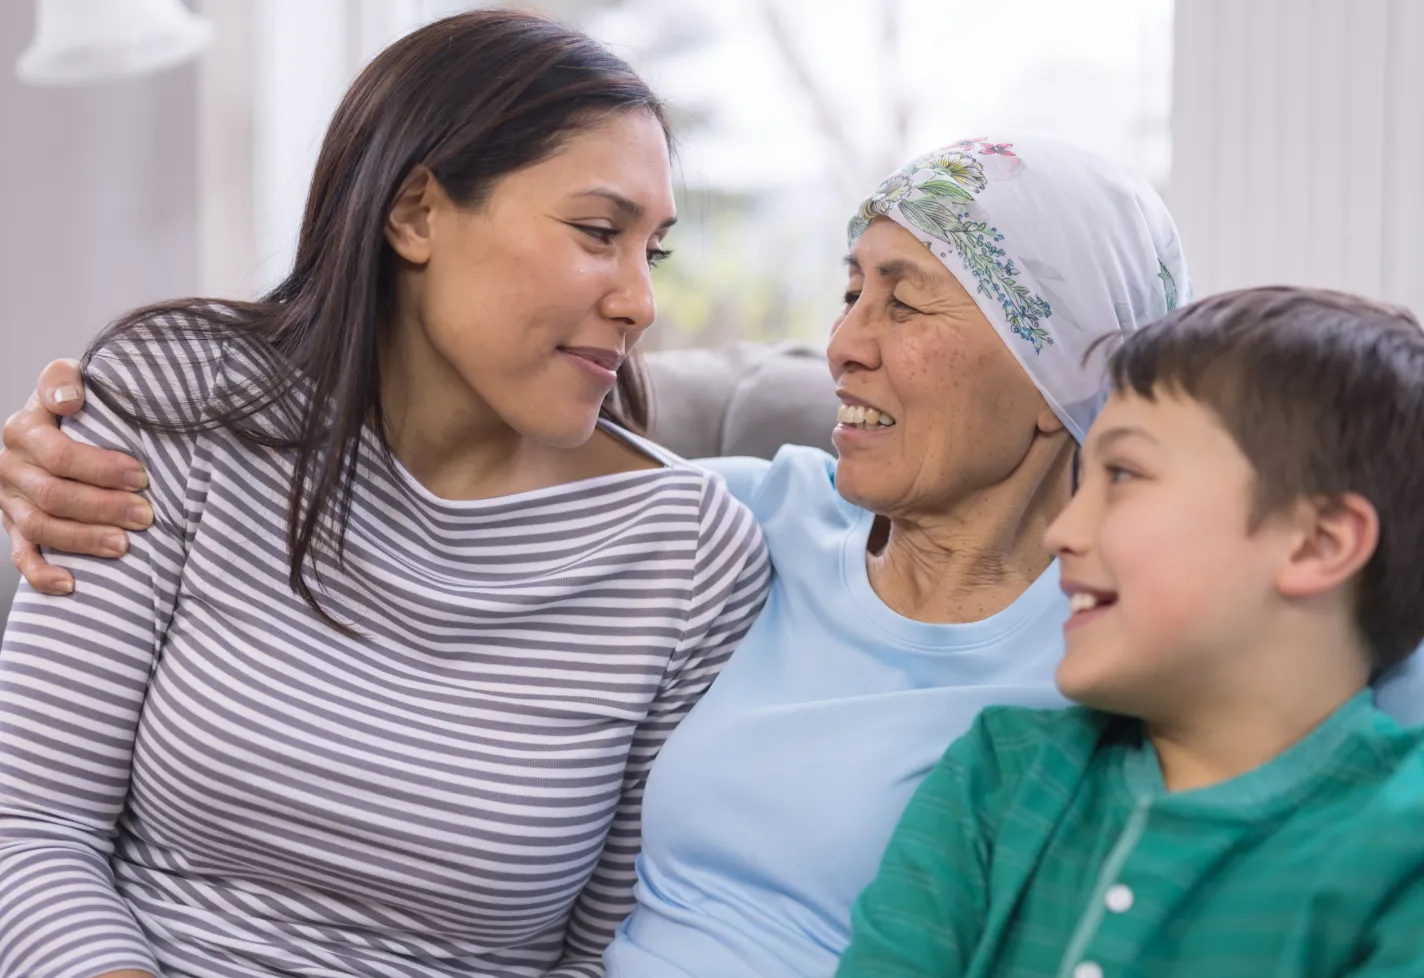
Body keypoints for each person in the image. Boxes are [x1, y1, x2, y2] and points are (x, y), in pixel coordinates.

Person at [5, 135, 1423, 978]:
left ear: (1061, 364)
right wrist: (82, 447)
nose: (846, 342)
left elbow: (1357, 696)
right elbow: (431, 483)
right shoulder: (739, 514)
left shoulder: (1148, 624)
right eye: (849, 290)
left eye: (907, 300)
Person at [0, 11, 769, 978]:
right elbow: (29, 829)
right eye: (596, 232)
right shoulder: (176, 404)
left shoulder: (689, 555)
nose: (640, 301)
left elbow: (607, 952)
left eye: (650, 251)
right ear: (415, 214)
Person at [836, 287, 1424, 978]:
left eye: (1123, 475)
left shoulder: (1401, 847)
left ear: (1316, 545)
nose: (1063, 533)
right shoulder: (997, 777)